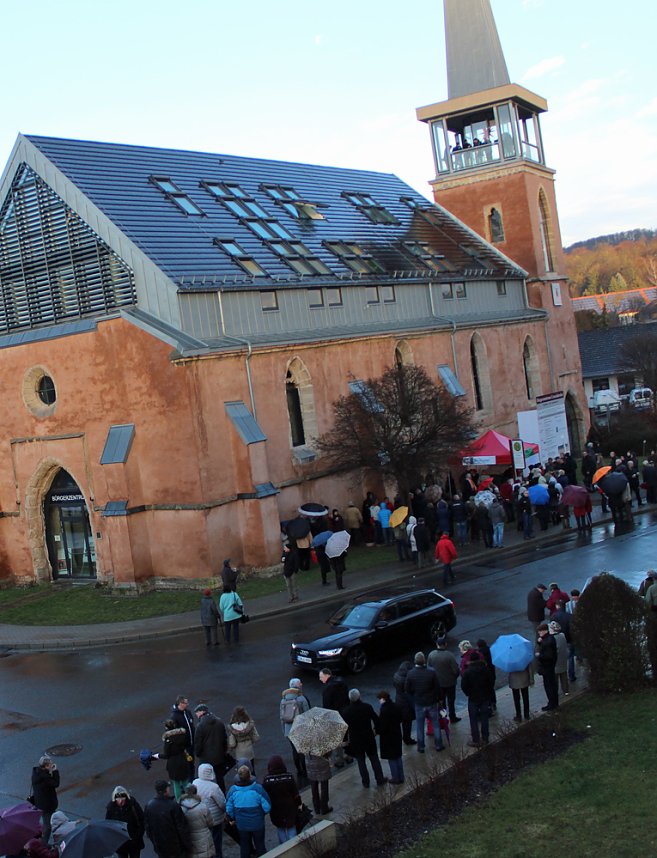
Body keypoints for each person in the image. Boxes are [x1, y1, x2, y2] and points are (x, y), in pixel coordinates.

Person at [342, 688, 387, 788]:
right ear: (359, 697)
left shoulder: (346, 711)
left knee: (361, 761)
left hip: (356, 740)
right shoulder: (367, 707)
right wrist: (376, 730)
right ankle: (380, 779)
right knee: (374, 758)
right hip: (368, 737)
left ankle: (365, 782)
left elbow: (344, 728)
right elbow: (376, 719)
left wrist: (345, 741)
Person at [225, 764, 271, 858]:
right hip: (258, 824)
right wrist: (260, 814)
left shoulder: (233, 790)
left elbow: (229, 809)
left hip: (242, 825)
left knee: (245, 846)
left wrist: (234, 817)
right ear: (250, 775)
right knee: (260, 846)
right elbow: (267, 807)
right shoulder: (258, 789)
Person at [404, 651, 444, 753]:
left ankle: (421, 747)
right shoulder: (431, 672)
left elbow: (407, 690)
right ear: (424, 660)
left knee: (420, 726)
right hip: (431, 702)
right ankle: (439, 745)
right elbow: (437, 687)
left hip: (419, 703)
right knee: (435, 724)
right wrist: (439, 699)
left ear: (415, 661)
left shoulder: (411, 673)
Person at [144, 779, 191, 858]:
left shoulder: (149, 806)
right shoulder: (173, 805)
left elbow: (148, 828)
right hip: (176, 848)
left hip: (160, 848)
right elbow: (182, 827)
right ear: (166, 790)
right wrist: (188, 845)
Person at [261, 755, 301, 845]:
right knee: (291, 827)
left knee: (280, 828)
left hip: (276, 809)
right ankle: (294, 846)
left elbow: (264, 795)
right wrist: (299, 804)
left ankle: (283, 848)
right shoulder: (289, 777)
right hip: (290, 808)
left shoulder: (267, 780)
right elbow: (295, 793)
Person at [461, 651, 494, 747]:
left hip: (473, 698)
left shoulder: (467, 672)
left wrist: (468, 693)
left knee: (473, 719)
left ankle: (476, 739)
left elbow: (464, 686)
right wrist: (488, 693)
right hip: (484, 697)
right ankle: (485, 737)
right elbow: (490, 682)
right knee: (484, 718)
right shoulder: (485, 669)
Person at [192, 764, 226, 858]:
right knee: (216, 841)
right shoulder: (214, 787)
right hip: (215, 818)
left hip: (202, 818)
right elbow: (222, 803)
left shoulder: (195, 783)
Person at [280, 677, 311, 778]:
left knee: (294, 750)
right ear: (297, 686)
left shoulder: (283, 700)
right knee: (301, 750)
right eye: (300, 684)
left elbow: (282, 717)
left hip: (289, 730)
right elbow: (308, 715)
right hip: (300, 729)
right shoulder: (301, 699)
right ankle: (305, 770)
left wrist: (284, 730)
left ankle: (298, 770)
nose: (301, 685)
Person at [319, 668, 350, 767]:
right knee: (345, 736)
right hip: (345, 713)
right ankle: (348, 755)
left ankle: (339, 760)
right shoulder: (342, 683)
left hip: (335, 716)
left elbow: (327, 706)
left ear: (327, 675)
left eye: (321, 677)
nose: (320, 679)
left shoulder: (327, 689)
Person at [194, 705, 228, 791]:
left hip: (205, 758)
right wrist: (224, 752)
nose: (196, 715)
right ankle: (222, 795)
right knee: (220, 778)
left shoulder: (200, 725)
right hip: (219, 756)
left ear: (202, 712)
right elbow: (224, 739)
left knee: (205, 779)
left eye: (197, 713)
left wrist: (197, 754)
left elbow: (198, 743)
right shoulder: (219, 722)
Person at [427, 637, 461, 723]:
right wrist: (454, 677)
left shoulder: (431, 655)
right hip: (450, 683)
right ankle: (452, 717)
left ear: (437, 644)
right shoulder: (449, 655)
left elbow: (429, 669)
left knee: (442, 703)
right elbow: (456, 670)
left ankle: (444, 718)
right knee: (451, 701)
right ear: (445, 644)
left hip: (438, 684)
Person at [157, 718, 192, 799]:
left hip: (173, 764)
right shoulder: (183, 735)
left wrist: (158, 756)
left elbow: (166, 754)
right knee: (185, 782)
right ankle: (191, 797)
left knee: (176, 784)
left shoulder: (168, 740)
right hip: (183, 760)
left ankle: (179, 801)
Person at [105, 788, 145, 858]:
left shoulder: (133, 805)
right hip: (120, 844)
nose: (121, 802)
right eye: (118, 799)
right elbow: (108, 825)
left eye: (123, 799)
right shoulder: (111, 808)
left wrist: (137, 836)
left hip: (134, 843)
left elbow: (142, 820)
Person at [179, 784, 214, 858]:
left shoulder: (181, 808)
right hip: (204, 837)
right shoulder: (202, 807)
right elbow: (210, 823)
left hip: (189, 838)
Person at [377, 691, 404, 784]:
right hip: (397, 733)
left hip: (388, 737)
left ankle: (395, 777)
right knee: (398, 756)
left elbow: (382, 726)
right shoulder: (395, 706)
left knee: (392, 758)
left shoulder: (384, 710)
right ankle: (401, 776)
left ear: (382, 699)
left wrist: (378, 731)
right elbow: (400, 718)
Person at [31, 755, 59, 843]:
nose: (51, 765)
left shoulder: (36, 774)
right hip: (47, 805)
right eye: (50, 764)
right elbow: (55, 783)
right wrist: (55, 771)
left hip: (40, 803)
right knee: (48, 826)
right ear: (46, 766)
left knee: (49, 822)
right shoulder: (44, 777)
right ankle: (44, 844)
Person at [227, 706, 260, 775]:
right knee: (252, 770)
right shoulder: (249, 724)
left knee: (241, 772)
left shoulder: (233, 728)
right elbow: (256, 737)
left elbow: (232, 744)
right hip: (249, 751)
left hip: (239, 753)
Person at [392, 661, 417, 744]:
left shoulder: (396, 675)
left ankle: (404, 737)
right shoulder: (407, 679)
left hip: (398, 700)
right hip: (406, 703)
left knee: (403, 721)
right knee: (407, 722)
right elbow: (412, 690)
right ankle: (407, 738)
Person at [535, 622, 559, 711]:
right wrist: (539, 641)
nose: (539, 633)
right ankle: (554, 703)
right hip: (550, 667)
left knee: (549, 686)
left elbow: (548, 656)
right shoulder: (549, 638)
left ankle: (552, 704)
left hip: (547, 667)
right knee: (551, 685)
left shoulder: (547, 642)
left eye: (540, 631)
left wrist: (539, 655)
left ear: (544, 631)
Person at [170, 696, 195, 769]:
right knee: (186, 766)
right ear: (180, 704)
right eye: (186, 703)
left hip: (191, 744)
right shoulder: (174, 717)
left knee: (191, 764)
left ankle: (192, 778)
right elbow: (173, 733)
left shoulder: (188, 712)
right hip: (183, 747)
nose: (188, 704)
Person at [549, 620, 570, 695]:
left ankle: (555, 691)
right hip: (563, 659)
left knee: (555, 678)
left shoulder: (553, 639)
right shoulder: (562, 635)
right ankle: (566, 690)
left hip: (556, 661)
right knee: (564, 676)